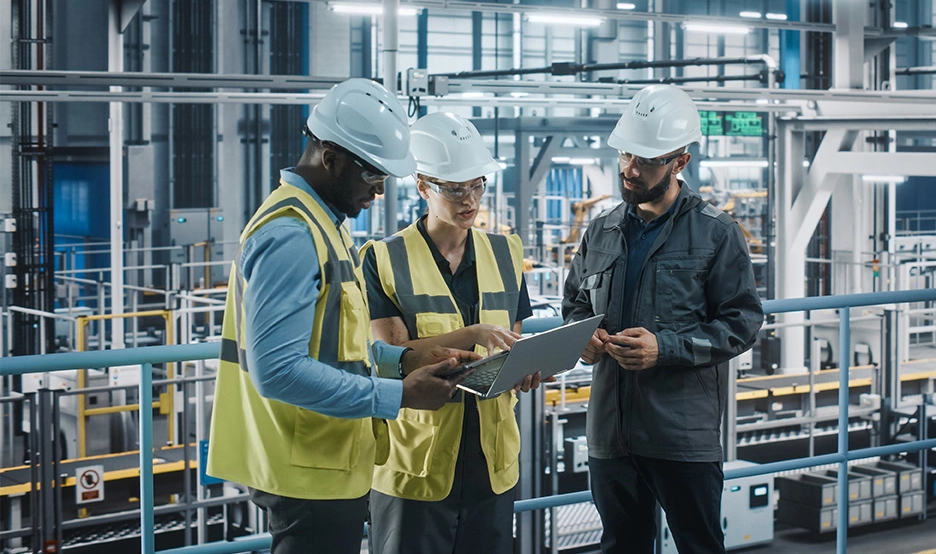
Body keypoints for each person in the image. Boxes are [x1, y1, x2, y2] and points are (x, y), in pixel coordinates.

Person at [207, 79, 476, 554]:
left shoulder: (322, 225)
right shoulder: (292, 233)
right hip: (304, 468)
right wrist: (397, 395)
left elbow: (335, 345)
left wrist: (405, 362)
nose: (377, 193)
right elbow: (278, 372)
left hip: (325, 460)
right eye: (371, 176)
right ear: (330, 158)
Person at [562, 85, 764, 554]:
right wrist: (582, 337)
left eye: (646, 161)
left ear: (680, 162)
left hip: (680, 433)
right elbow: (573, 303)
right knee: (619, 546)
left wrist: (664, 348)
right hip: (610, 432)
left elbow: (742, 322)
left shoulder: (717, 233)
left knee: (698, 545)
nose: (630, 170)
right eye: (626, 154)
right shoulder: (602, 230)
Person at [361, 112, 546, 553]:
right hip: (415, 464)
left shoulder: (505, 252)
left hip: (491, 463)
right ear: (422, 186)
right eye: (455, 188)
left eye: (477, 185)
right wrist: (475, 332)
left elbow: (511, 342)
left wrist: (523, 368)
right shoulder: (383, 259)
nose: (471, 199)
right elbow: (391, 355)